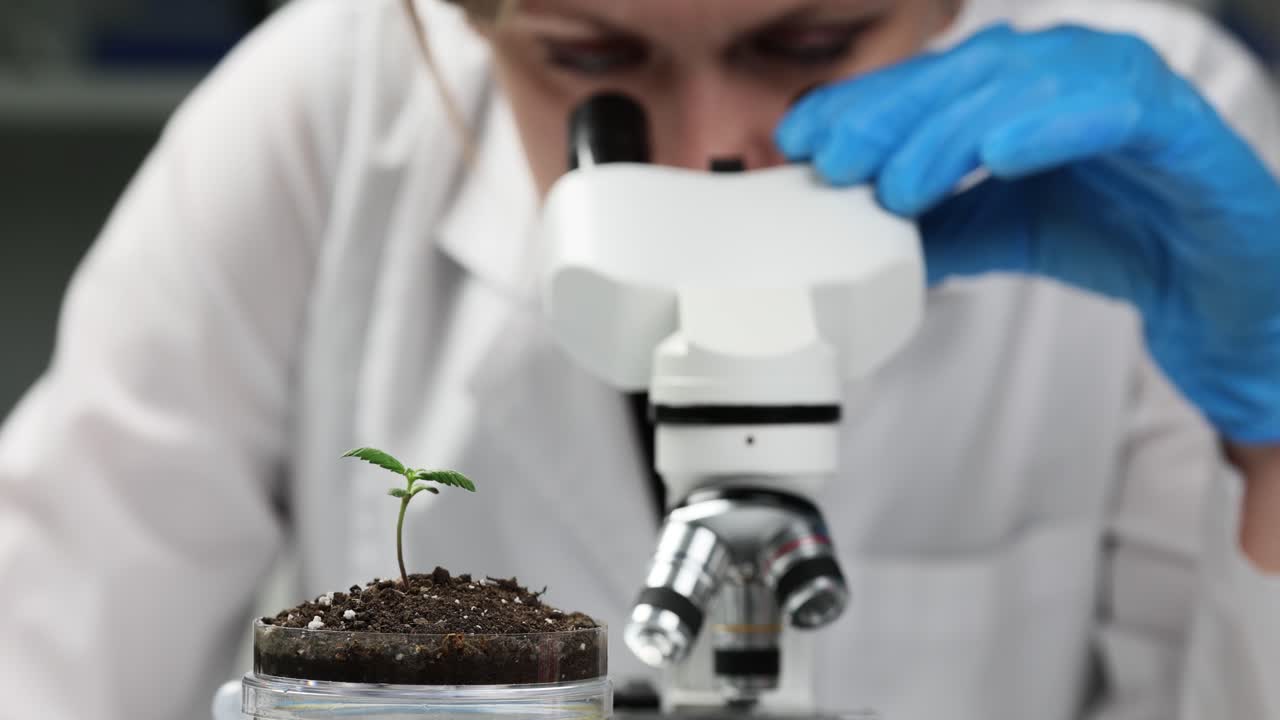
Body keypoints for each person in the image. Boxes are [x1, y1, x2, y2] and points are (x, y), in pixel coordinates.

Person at [1, 0, 1278, 717]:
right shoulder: (318, 124)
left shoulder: (1150, 141)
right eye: (592, 64)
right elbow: (48, 662)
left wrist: (1273, 430)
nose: (707, 151)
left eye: (808, 43)